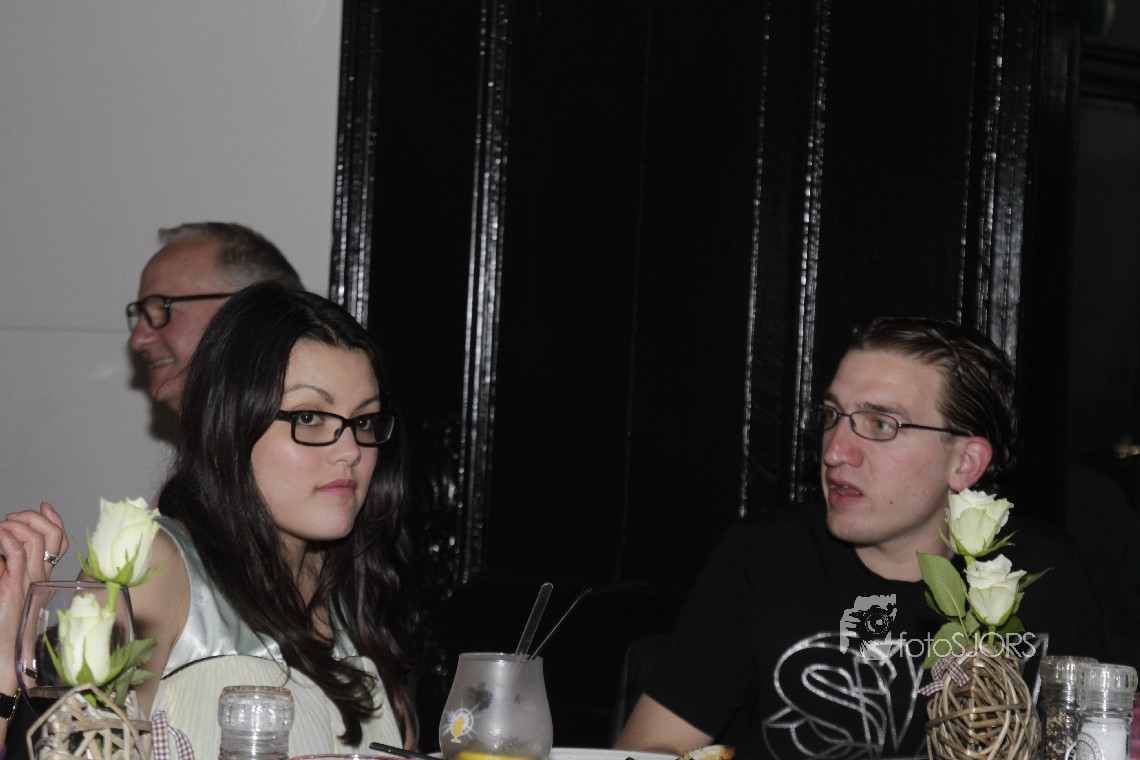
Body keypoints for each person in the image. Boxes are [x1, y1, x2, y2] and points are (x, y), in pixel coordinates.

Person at [615, 316, 1105, 759]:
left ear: (964, 462)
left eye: (880, 424)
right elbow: (649, 748)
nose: (835, 451)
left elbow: (1102, 739)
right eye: (832, 415)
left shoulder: (1046, 572)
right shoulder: (766, 559)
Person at [0, 282, 418, 757]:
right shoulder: (151, 563)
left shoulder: (354, 588)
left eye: (363, 421)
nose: (350, 451)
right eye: (309, 417)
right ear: (232, 422)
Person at [127, 222, 302, 413]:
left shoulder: (308, 431)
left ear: (250, 314)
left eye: (163, 309)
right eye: (141, 314)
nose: (137, 341)